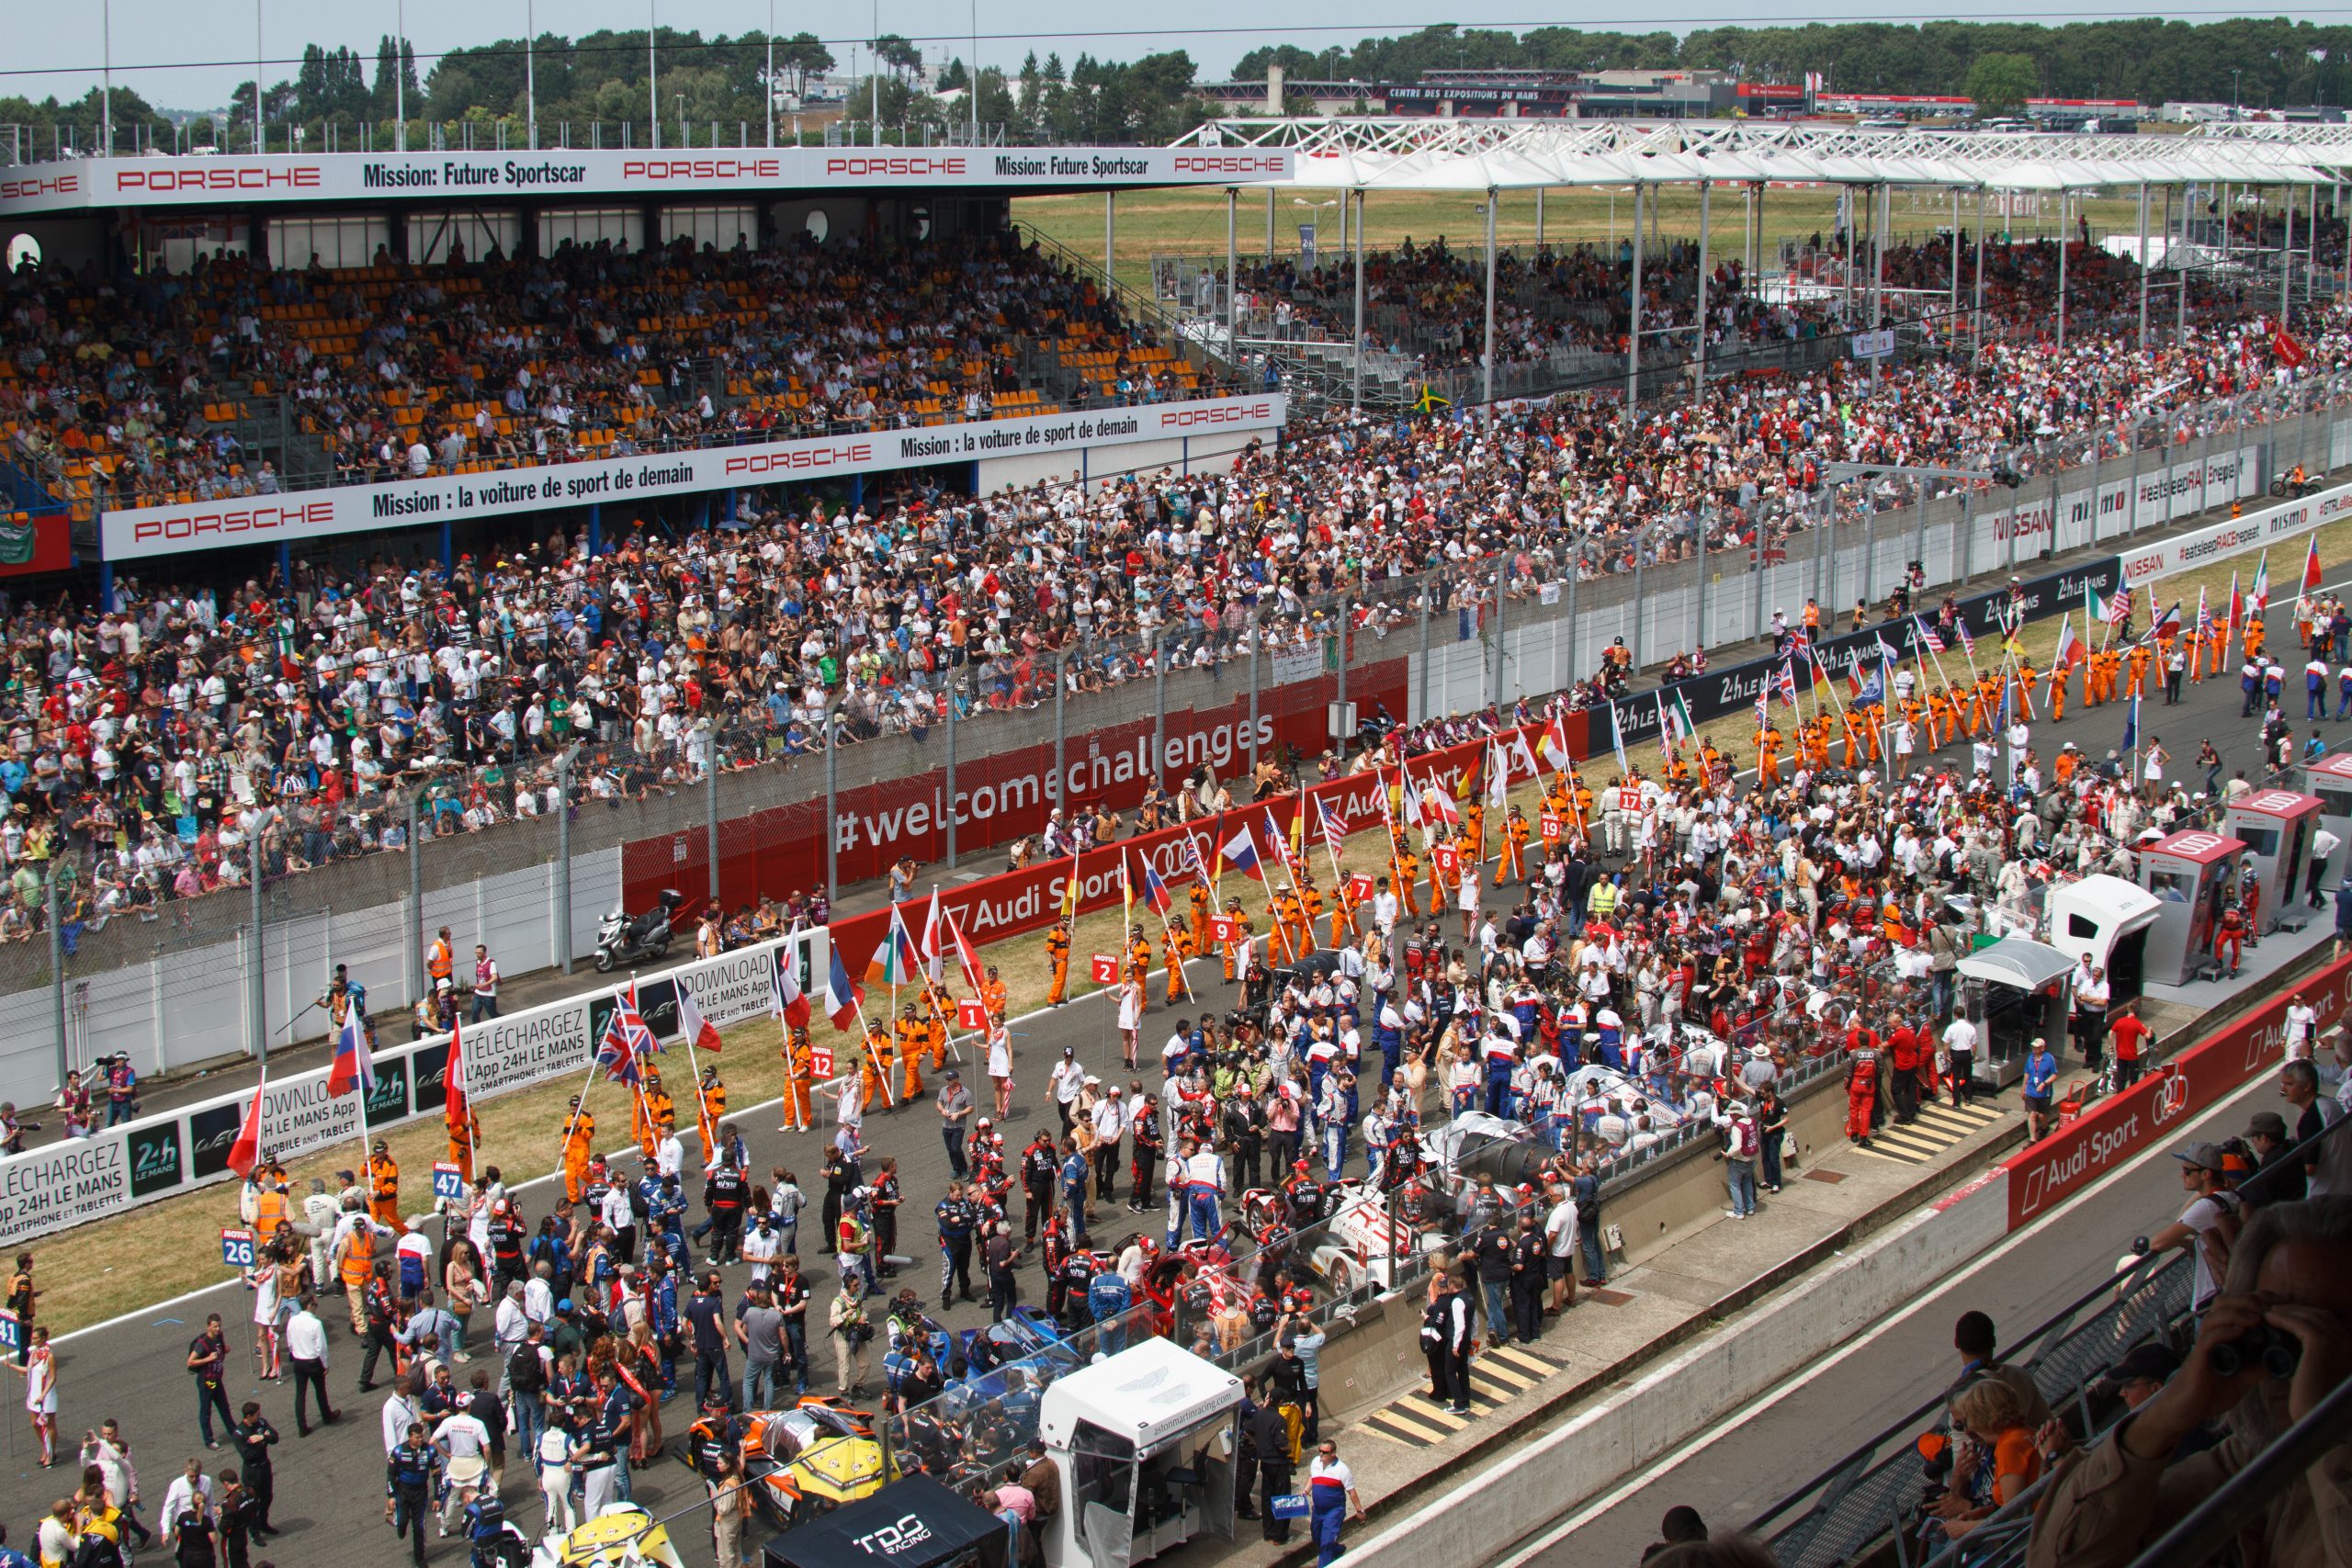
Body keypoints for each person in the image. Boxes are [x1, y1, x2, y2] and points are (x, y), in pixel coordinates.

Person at [2023, 1197, 2352, 1568]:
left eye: (2330, 1327)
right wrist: (2167, 1414)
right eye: (2277, 1323)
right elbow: (2062, 1561)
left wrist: (2324, 1428)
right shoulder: (2256, 1461)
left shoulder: (2303, 1453)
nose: (2301, 1352)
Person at [1305, 1438, 1365, 1567]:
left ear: (1333, 1454)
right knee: (1317, 1537)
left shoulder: (1342, 1470)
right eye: (1320, 1451)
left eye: (1324, 1452)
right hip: (1318, 1511)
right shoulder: (1316, 1462)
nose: (1321, 1454)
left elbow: (1352, 1492)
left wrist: (1360, 1511)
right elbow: (1312, 1478)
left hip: (1334, 1512)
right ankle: (1336, 1549)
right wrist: (1305, 1491)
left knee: (1325, 1546)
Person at [282, 1296, 337, 1435]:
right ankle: (326, 1416)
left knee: (300, 1394)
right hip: (312, 1361)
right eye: (316, 1304)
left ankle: (302, 1427)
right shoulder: (315, 1323)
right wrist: (325, 1364)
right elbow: (321, 1347)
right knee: (320, 1390)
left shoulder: (292, 1321)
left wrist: (294, 1352)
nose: (316, 1307)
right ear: (309, 1305)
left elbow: (289, 1341)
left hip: (298, 1361)